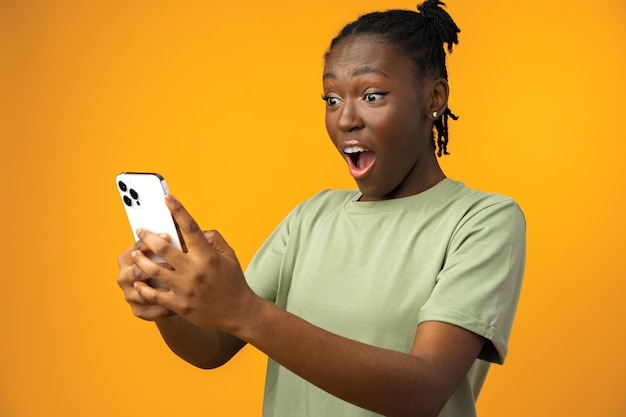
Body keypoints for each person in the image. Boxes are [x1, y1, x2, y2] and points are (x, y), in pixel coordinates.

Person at [116, 1, 526, 416]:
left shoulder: (481, 221)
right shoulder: (309, 218)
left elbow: (423, 389)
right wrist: (168, 301)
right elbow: (212, 347)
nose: (345, 118)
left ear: (433, 97)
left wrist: (244, 309)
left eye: (372, 95)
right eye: (331, 99)